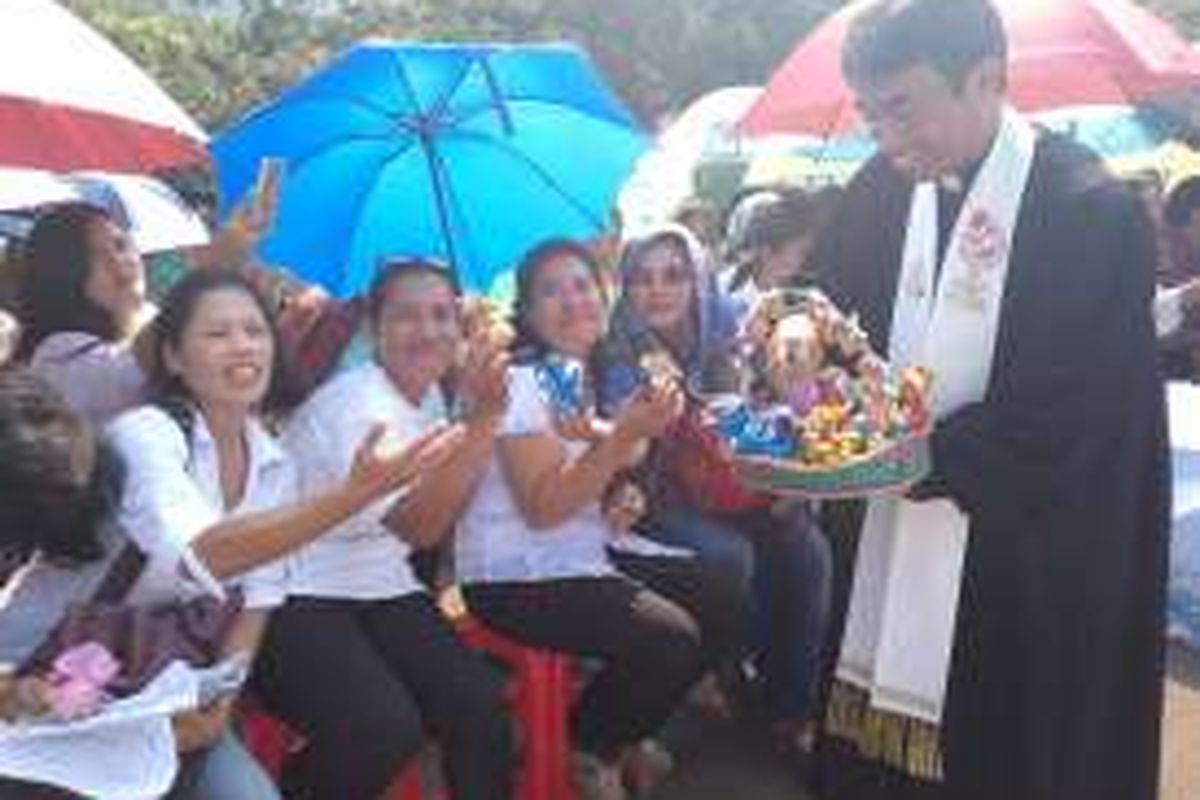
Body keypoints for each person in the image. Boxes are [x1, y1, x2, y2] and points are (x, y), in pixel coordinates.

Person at [806, 2, 1169, 799]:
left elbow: (1076, 420)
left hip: (1022, 567)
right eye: (870, 113)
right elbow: (828, 311)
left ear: (988, 79)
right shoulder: (886, 187)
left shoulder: (1087, 211)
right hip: (893, 536)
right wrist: (798, 357)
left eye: (901, 107)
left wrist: (917, 456)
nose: (887, 138)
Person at [97, 269, 455, 800]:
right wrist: (351, 496)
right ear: (173, 357)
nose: (243, 346)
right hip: (61, 670)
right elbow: (202, 555)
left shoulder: (271, 460)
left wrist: (220, 699)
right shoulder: (144, 434)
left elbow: (259, 599)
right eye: (217, 334)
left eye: (255, 331)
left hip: (166, 676)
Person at [455, 239, 746, 800]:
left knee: (726, 599)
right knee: (671, 641)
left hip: (580, 548)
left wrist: (620, 491)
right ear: (530, 312)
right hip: (515, 575)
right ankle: (586, 746)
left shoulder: (574, 372)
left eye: (583, 286)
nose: (572, 302)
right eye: (551, 292)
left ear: (604, 294)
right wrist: (626, 440)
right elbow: (542, 509)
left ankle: (617, 732)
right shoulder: (521, 383)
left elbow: (593, 459)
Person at [250, 259, 515, 800]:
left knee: (479, 705)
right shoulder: (359, 405)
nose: (428, 331)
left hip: (378, 582)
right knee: (381, 729)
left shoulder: (432, 395)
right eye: (407, 317)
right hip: (291, 592)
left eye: (443, 315)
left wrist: (472, 414)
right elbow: (421, 527)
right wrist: (484, 420)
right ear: (375, 327)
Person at [599, 223, 833, 765]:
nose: (657, 290)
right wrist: (649, 419)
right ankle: (722, 670)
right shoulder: (618, 349)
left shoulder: (723, 333)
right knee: (731, 557)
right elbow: (616, 445)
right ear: (626, 287)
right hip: (647, 498)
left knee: (806, 549)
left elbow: (762, 417)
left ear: (698, 278)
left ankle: (789, 709)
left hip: (727, 492)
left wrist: (782, 473)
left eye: (674, 275)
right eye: (642, 278)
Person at [14, 198, 271, 427]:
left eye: (121, 244)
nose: (118, 261)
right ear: (61, 278)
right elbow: (126, 370)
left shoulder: (155, 318)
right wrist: (211, 266)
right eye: (94, 255)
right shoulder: (56, 356)